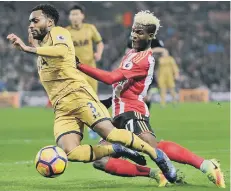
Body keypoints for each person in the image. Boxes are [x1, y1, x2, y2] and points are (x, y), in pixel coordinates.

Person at [7, 4, 177, 183]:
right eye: (29, 22)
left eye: (35, 20)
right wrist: (34, 46)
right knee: (70, 152)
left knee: (110, 134)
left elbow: (61, 51)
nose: (31, 25)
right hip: (62, 109)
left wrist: (29, 48)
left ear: (49, 22)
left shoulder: (59, 32)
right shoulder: (43, 46)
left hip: (79, 96)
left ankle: (156, 154)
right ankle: (116, 150)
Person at [76, 10, 225, 188]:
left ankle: (206, 165)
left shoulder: (142, 58)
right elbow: (121, 89)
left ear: (150, 36)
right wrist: (106, 103)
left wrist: (78, 65)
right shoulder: (131, 53)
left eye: (139, 32)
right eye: (133, 30)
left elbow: (110, 78)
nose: (134, 35)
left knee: (153, 147)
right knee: (101, 160)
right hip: (118, 116)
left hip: (132, 112)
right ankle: (156, 174)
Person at [66, 4, 104, 139]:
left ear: (82, 16)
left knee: (94, 98)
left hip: (91, 70)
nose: (75, 17)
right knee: (79, 99)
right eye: (72, 15)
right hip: (74, 71)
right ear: (69, 17)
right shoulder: (66, 32)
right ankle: (83, 127)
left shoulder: (90, 28)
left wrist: (98, 53)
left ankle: (98, 126)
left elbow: (99, 42)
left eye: (77, 14)